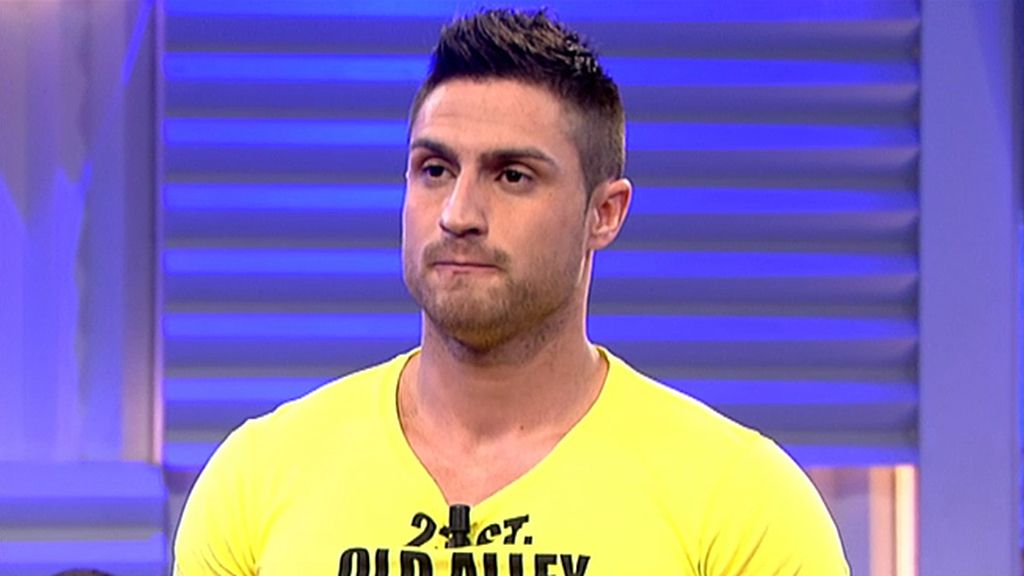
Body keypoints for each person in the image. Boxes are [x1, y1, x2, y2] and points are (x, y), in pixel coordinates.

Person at [173, 8, 849, 575]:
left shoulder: (742, 505)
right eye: (435, 169)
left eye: (513, 176)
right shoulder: (256, 482)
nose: (458, 213)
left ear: (604, 213)